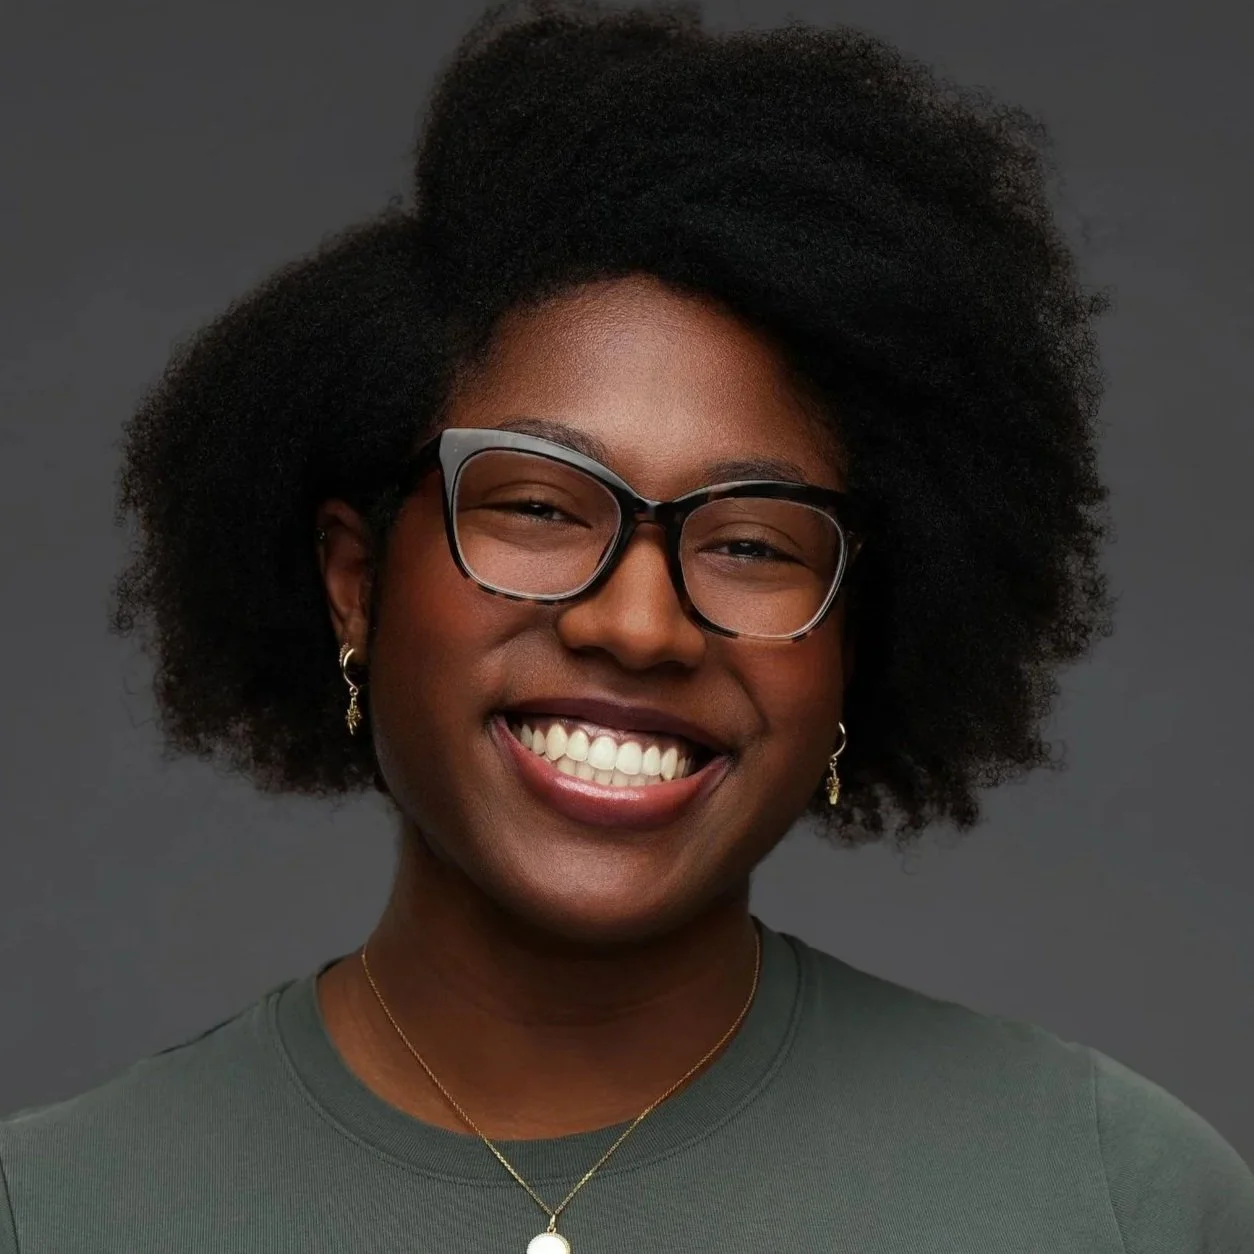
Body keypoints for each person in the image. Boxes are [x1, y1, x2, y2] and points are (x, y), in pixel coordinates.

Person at [3, 2, 1252, 1251]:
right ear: (356, 581)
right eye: (541, 506)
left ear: (855, 643)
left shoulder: (1112, 1200)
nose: (641, 623)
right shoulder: (57, 1211)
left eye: (755, 542)